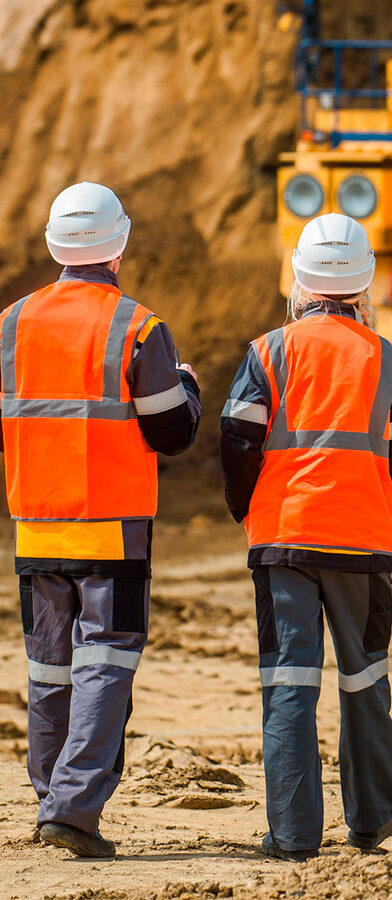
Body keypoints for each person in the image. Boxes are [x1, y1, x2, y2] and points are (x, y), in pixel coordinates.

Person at [3, 182, 202, 858]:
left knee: (50, 667)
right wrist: (190, 386)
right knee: (104, 664)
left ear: (56, 246)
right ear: (117, 246)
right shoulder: (137, 327)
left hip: (35, 525)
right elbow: (172, 431)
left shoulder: (10, 324)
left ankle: (51, 796)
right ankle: (75, 808)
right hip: (111, 529)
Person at [219, 213, 392, 860]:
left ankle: (296, 836)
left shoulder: (267, 351)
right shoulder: (386, 358)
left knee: (289, 684)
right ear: (363, 288)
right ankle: (373, 818)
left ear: (300, 281)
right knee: (365, 683)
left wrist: (244, 508)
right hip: (364, 545)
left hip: (284, 542)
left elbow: (238, 437)